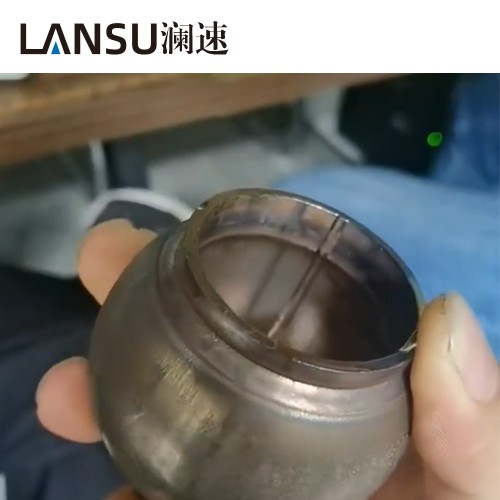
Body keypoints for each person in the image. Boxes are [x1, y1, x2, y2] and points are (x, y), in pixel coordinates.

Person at [2, 74, 499, 499]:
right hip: (172, 320)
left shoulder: (371, 415)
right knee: (319, 193)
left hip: (346, 424)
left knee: (324, 194)